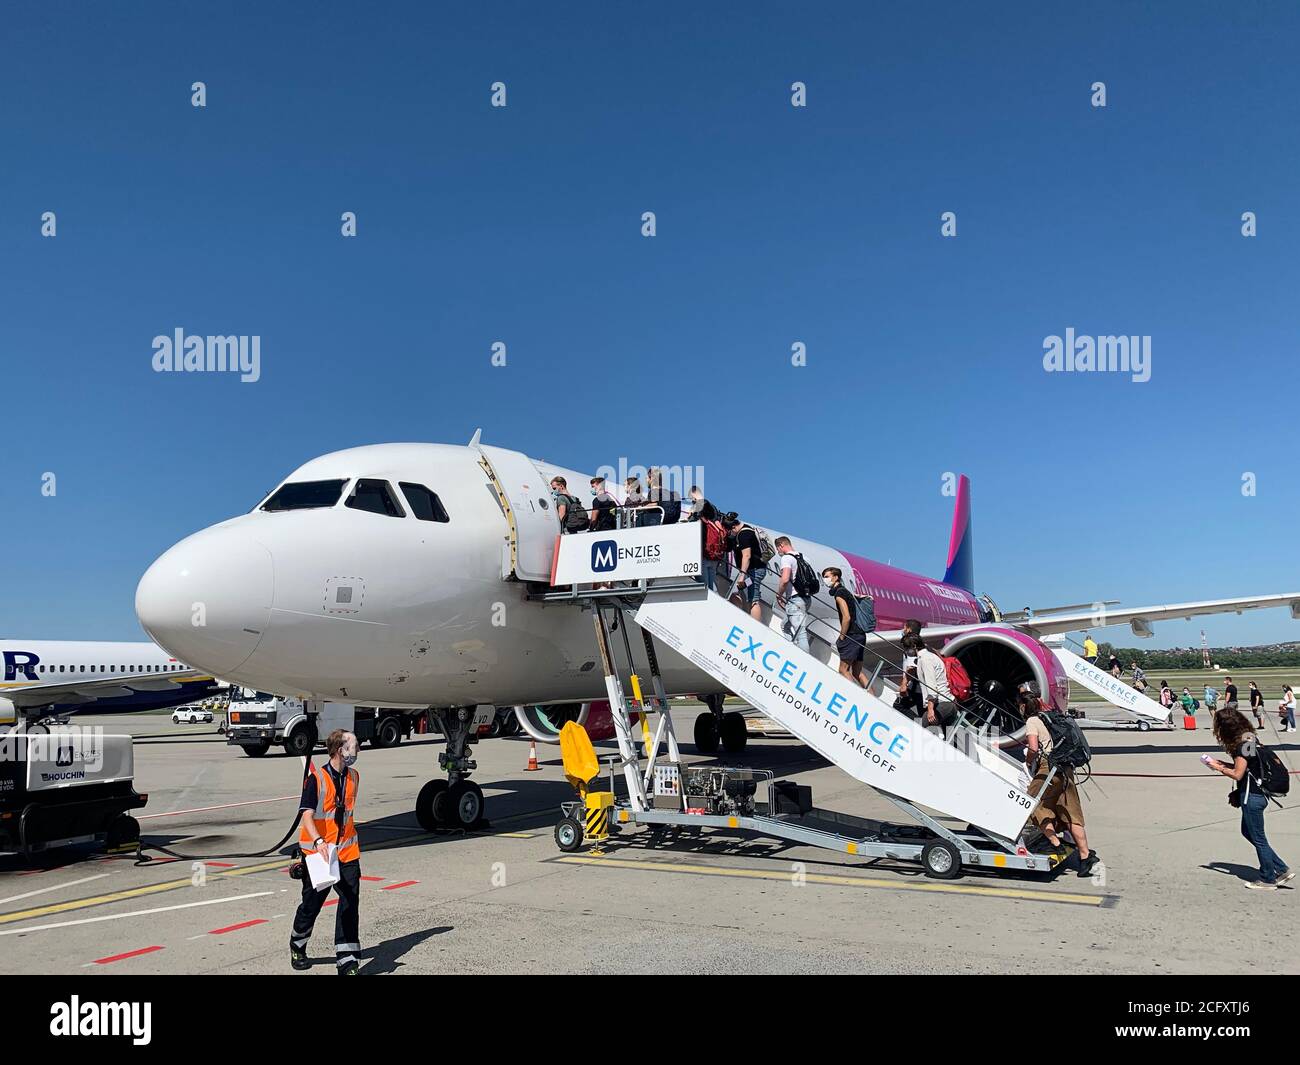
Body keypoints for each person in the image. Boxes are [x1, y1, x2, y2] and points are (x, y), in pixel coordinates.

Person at [291, 729, 363, 974]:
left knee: (349, 903)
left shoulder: (354, 776)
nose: (358, 749)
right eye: (354, 745)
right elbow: (307, 816)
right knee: (312, 905)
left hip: (347, 852)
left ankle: (347, 959)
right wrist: (319, 841)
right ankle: (297, 943)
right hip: (319, 854)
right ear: (340, 749)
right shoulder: (317, 779)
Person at [1205, 707, 1292, 889]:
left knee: (1259, 838)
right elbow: (1248, 766)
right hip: (1258, 794)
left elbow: (1238, 774)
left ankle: (1269, 878)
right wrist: (1225, 763)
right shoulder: (1249, 738)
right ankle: (1280, 868)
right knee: (1248, 832)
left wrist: (1218, 767)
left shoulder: (1240, 745)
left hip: (1251, 796)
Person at [1021, 689, 1099, 878]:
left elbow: (1033, 747)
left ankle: (1055, 845)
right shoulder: (1050, 717)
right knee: (1070, 812)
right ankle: (1085, 855)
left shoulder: (1032, 721)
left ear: (1023, 707)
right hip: (1066, 767)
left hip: (1049, 768)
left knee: (1031, 804)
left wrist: (1029, 761)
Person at [824, 567, 866, 687]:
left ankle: (854, 696)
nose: (824, 579)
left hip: (851, 635)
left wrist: (842, 636)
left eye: (827, 576)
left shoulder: (839, 593)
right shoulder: (845, 591)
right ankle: (871, 697)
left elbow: (846, 617)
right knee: (857, 673)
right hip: (860, 634)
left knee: (843, 670)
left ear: (836, 577)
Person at [723, 513, 766, 621]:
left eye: (730, 531)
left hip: (754, 572)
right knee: (735, 593)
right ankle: (740, 621)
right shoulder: (742, 532)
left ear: (733, 527)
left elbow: (746, 555)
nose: (730, 534)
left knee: (753, 599)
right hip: (749, 573)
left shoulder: (744, 534)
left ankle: (756, 629)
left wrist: (742, 576)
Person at [909, 634, 957, 730]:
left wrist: (930, 710)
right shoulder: (929, 656)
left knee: (920, 728)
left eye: (907, 647)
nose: (906, 651)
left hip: (943, 703)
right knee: (950, 738)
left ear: (914, 646)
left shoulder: (925, 660)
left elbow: (932, 687)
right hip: (948, 703)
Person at [773, 536, 812, 653]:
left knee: (801, 634)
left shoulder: (786, 558)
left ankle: (804, 661)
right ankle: (794, 651)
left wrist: (779, 594)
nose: (778, 552)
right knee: (785, 626)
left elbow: (785, 580)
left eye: (777, 549)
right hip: (806, 598)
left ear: (781, 545)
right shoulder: (805, 558)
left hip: (795, 600)